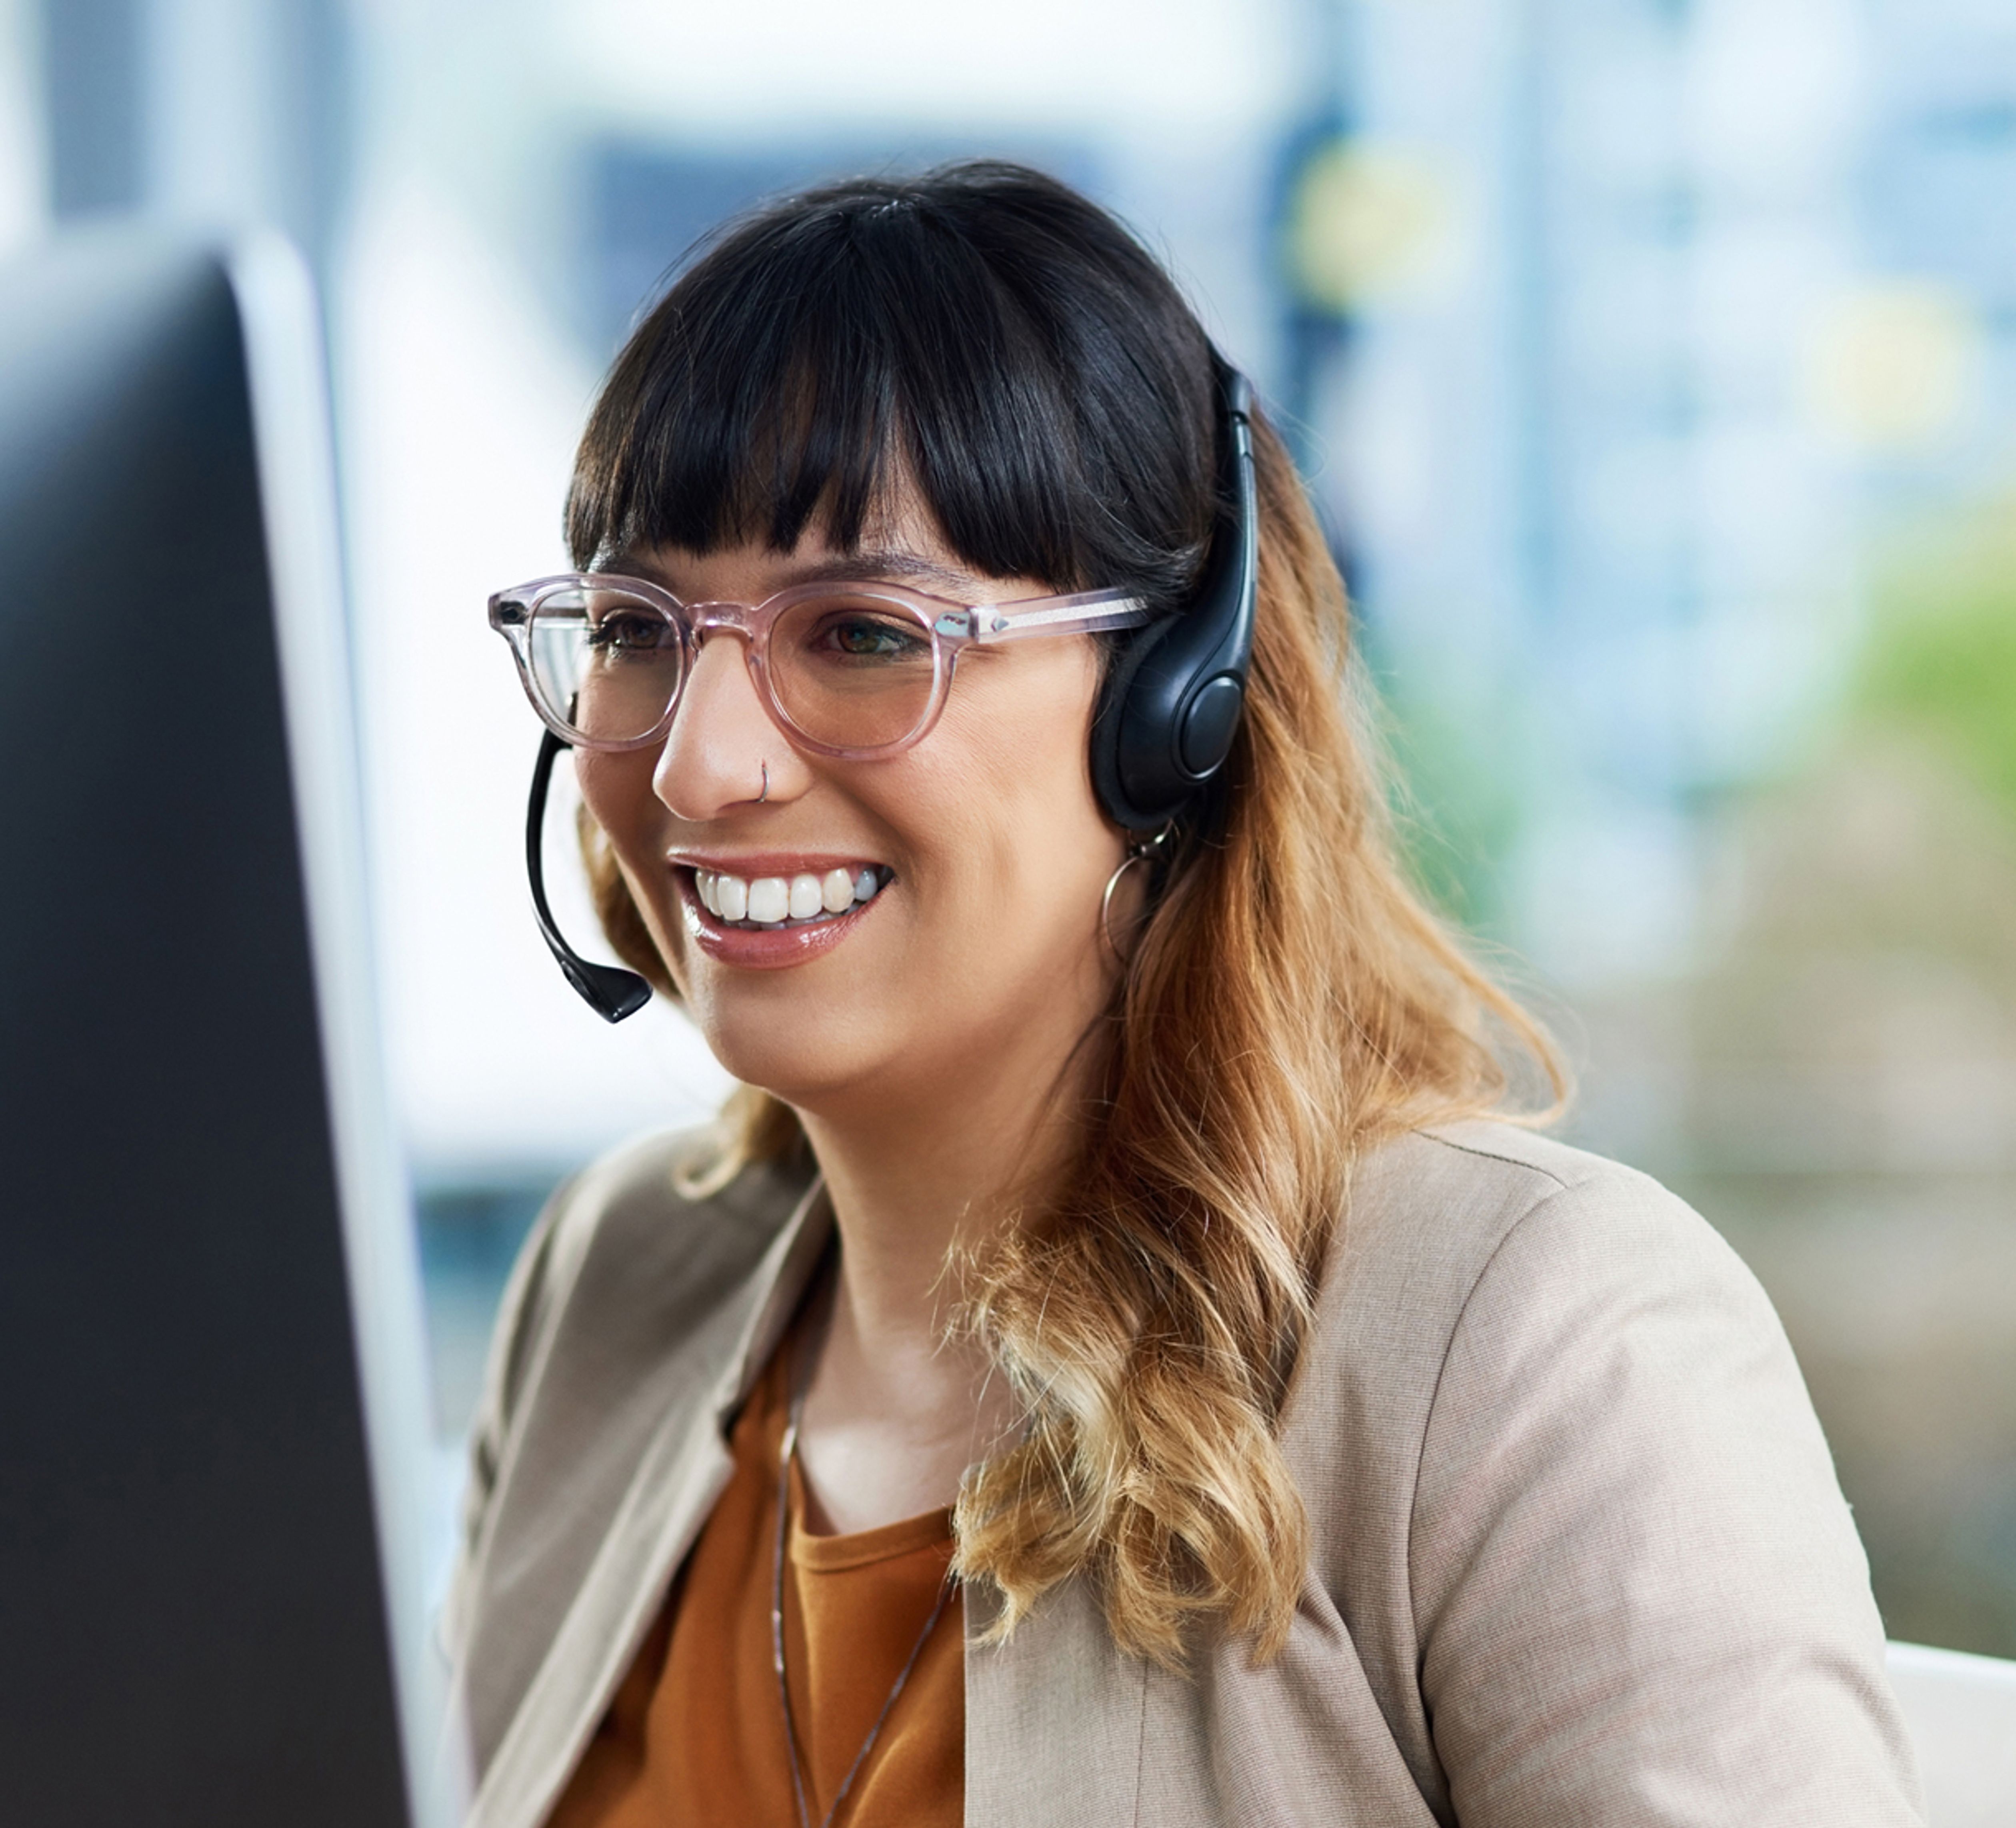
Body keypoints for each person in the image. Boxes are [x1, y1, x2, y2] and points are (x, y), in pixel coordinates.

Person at [446, 162, 1923, 1828]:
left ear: (1175, 706)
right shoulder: (613, 1277)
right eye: (641, 628)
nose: (702, 767)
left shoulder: (1534, 1345)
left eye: (861, 635)